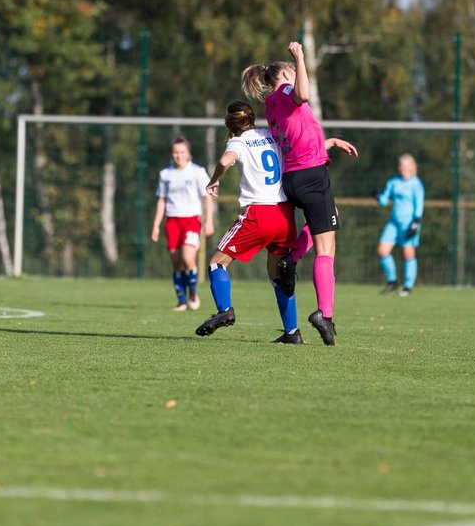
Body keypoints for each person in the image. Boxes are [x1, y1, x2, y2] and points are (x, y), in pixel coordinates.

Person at [195, 100, 358, 344]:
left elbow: (225, 161)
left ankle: (224, 310)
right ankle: (292, 332)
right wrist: (331, 143)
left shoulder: (237, 142)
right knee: (277, 275)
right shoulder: (272, 135)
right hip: (285, 214)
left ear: (229, 124)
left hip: (259, 214)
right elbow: (301, 153)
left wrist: (214, 179)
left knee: (217, 263)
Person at [241, 41, 358, 345]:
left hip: (293, 177)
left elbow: (297, 132)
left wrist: (326, 142)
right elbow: (303, 94)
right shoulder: (284, 93)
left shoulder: (271, 105)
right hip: (311, 174)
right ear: (288, 75)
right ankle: (325, 314)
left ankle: (291, 258)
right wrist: (300, 58)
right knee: (326, 249)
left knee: (331, 218)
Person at [151, 136, 214, 312]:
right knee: (176, 263)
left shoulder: (197, 172)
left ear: (188, 154)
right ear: (172, 154)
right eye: (176, 153)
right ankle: (181, 300)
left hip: (191, 219)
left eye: (182, 152)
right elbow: (161, 200)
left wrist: (208, 221)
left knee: (187, 259)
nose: (179, 156)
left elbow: (207, 197)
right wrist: (156, 225)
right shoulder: (166, 174)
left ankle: (193, 293)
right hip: (172, 221)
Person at [375, 153, 425, 296]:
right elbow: (384, 200)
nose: (401, 167)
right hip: (394, 223)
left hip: (410, 222)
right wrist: (377, 196)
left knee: (408, 253)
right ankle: (392, 281)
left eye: (404, 164)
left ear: (411, 166)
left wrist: (415, 223)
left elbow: (419, 204)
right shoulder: (393, 182)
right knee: (382, 250)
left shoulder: (416, 184)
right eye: (400, 164)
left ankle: (408, 286)